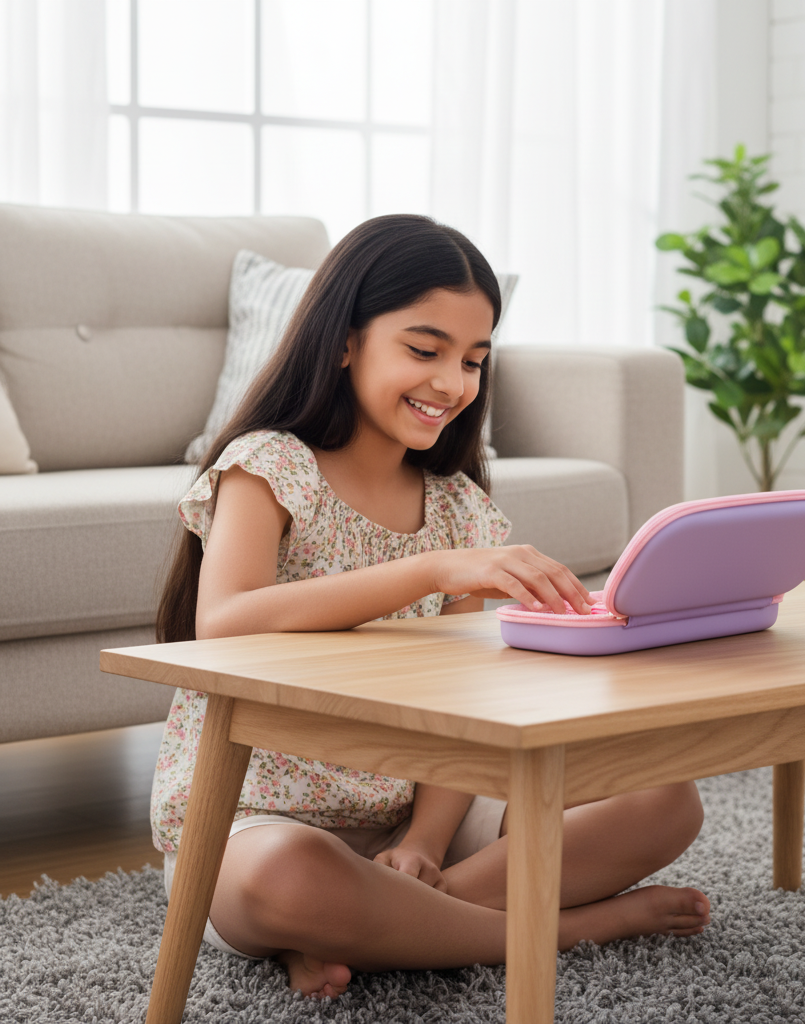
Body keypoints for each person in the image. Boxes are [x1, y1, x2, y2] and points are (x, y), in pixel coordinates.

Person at [153, 214, 709, 999]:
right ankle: (571, 926)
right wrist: (431, 569)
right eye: (425, 350)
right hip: (258, 822)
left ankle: (386, 922)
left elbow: (466, 698)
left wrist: (424, 839)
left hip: (412, 812)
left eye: (474, 360)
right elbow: (227, 620)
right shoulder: (269, 467)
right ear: (346, 339)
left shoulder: (456, 507)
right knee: (292, 878)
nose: (452, 382)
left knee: (665, 799)